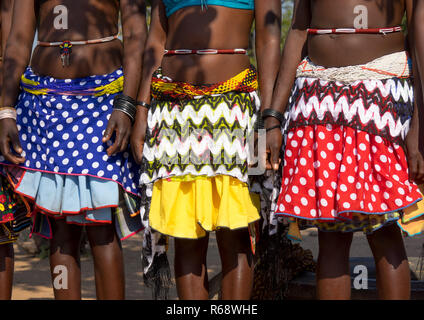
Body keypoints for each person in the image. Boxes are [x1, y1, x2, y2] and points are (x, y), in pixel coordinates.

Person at [265, 0, 424, 299]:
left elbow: (420, 32)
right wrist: (273, 115)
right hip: (316, 98)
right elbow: (298, 31)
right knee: (331, 234)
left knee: (383, 227)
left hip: (381, 95)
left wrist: (420, 122)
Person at [132, 0, 281, 299]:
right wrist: (141, 112)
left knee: (236, 233)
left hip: (238, 112)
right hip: (172, 114)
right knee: (186, 235)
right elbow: (156, 41)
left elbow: (269, 39)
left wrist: (269, 118)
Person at [0, 0, 147, 299]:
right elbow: (17, 42)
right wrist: (6, 111)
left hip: (102, 105)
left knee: (101, 227)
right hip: (44, 107)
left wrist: (127, 105)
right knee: (60, 229)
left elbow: (135, 35)